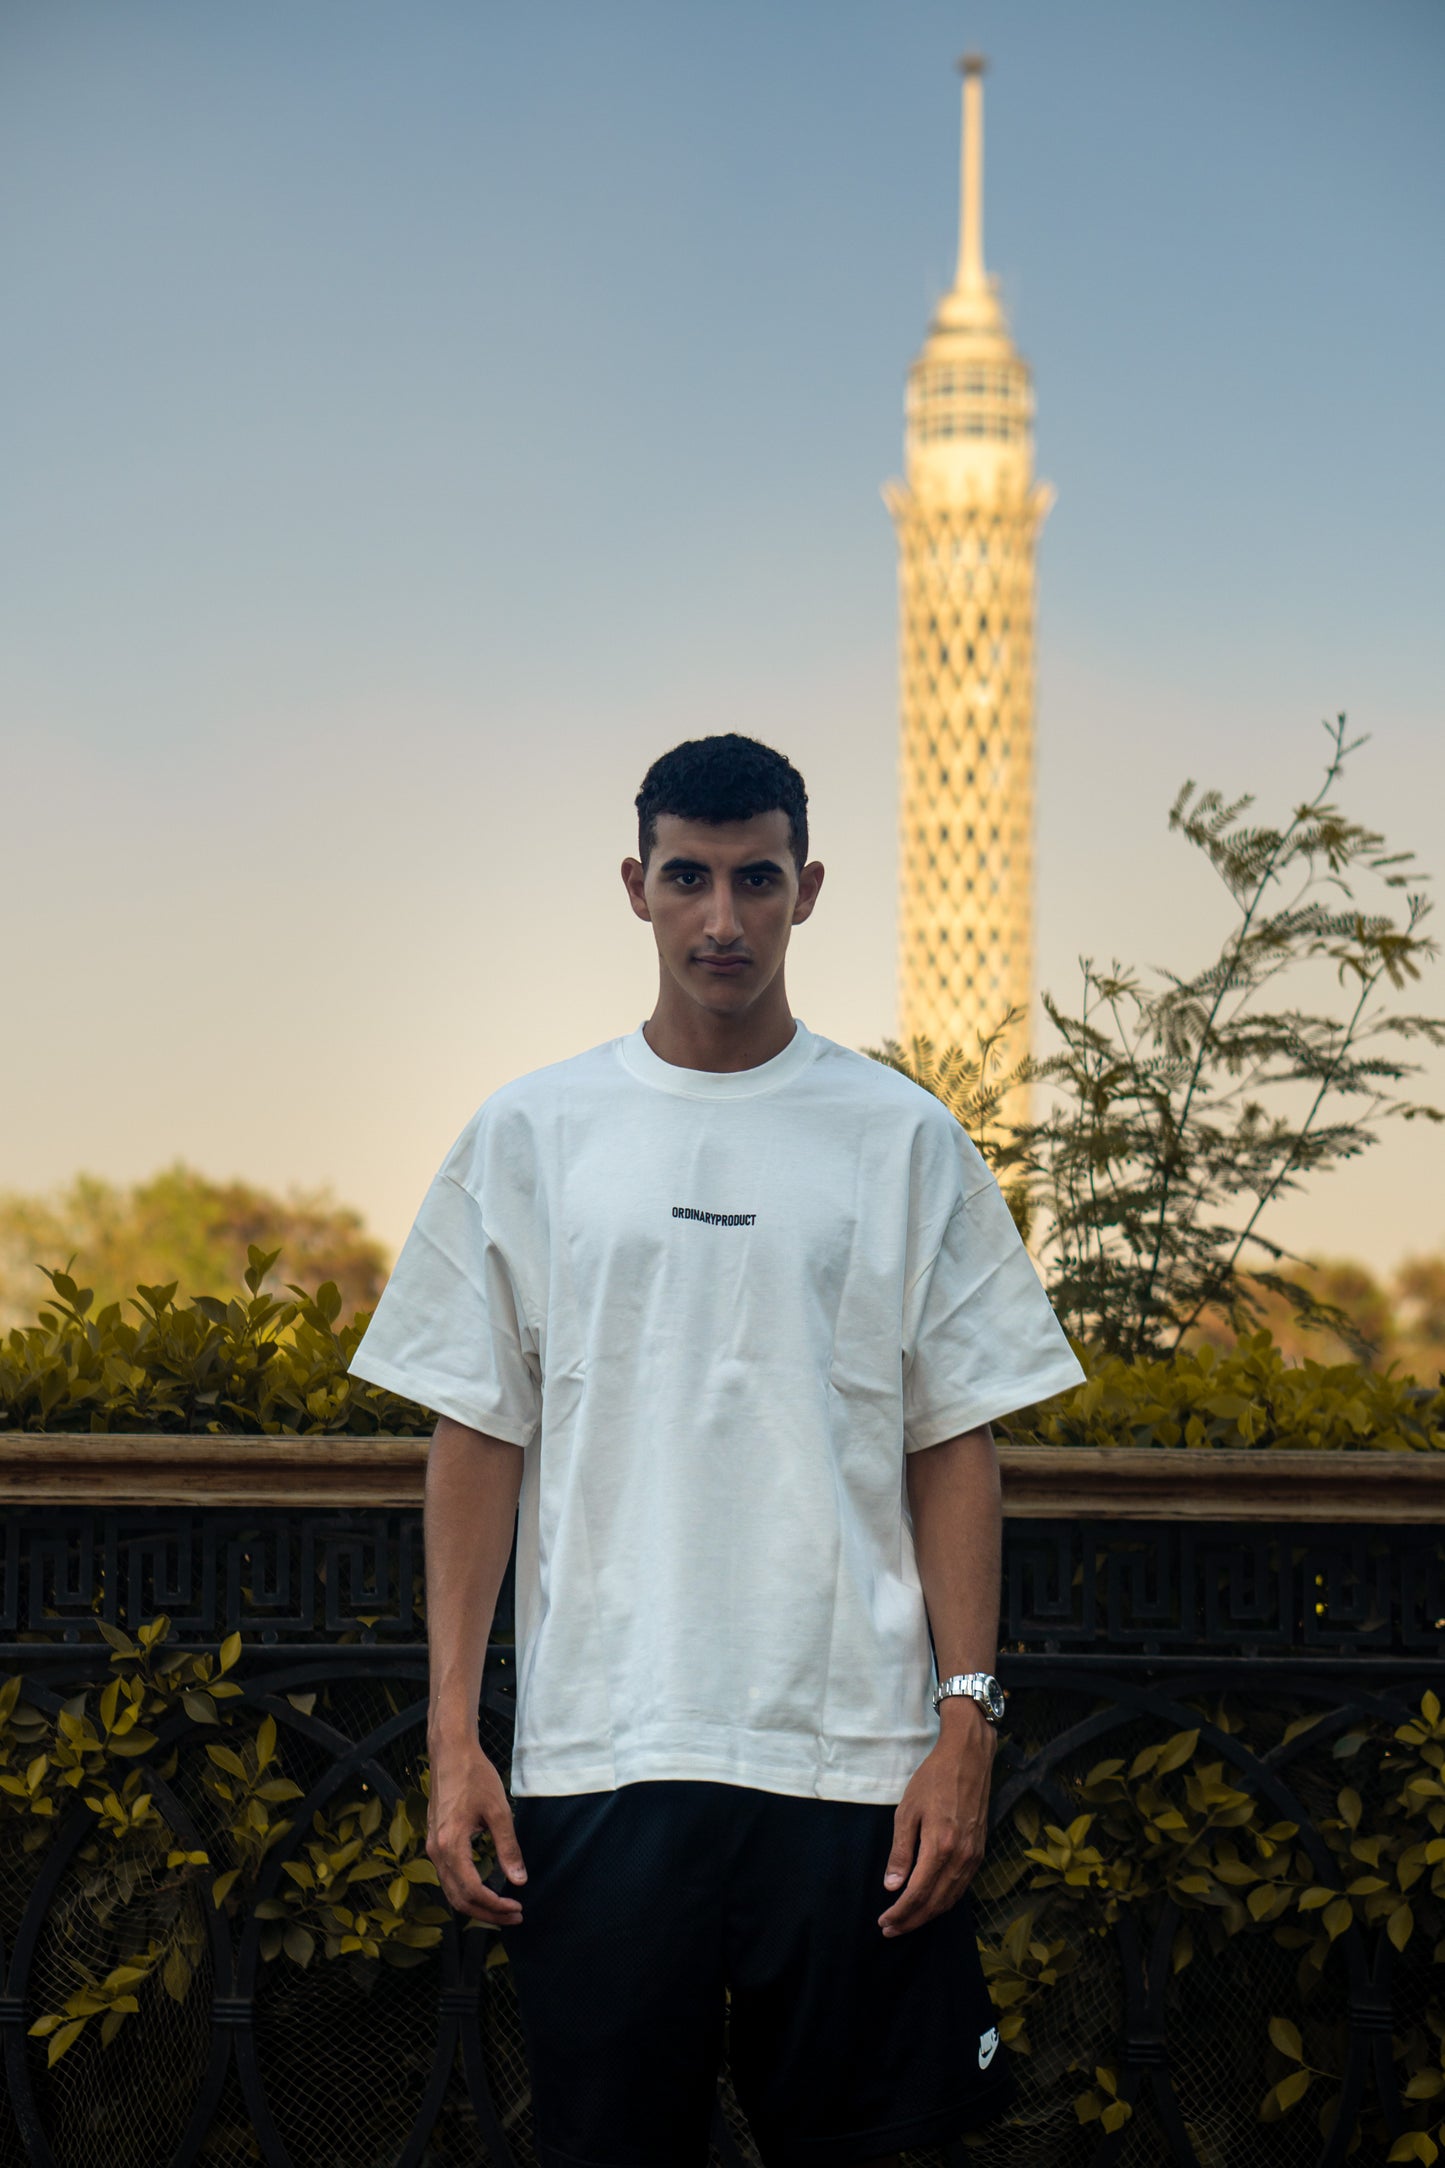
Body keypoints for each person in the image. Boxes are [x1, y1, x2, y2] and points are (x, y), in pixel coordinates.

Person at [348, 733, 1087, 2168]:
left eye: (756, 879)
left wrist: (962, 1721)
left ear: (807, 888)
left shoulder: (901, 1137)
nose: (722, 918)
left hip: (854, 1765)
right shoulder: (533, 1133)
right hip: (603, 1755)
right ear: (636, 886)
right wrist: (453, 1738)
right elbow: (474, 1435)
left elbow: (954, 1443)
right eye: (688, 877)